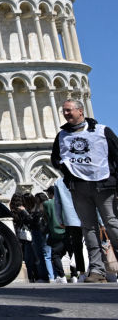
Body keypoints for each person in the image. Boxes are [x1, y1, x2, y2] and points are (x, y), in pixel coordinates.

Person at [50, 98, 118, 283]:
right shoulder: (62, 135)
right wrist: (67, 171)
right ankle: (97, 270)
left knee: (112, 224)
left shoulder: (101, 131)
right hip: (78, 187)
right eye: (64, 110)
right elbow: (55, 158)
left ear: (80, 111)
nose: (66, 113)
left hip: (103, 184)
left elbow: (116, 154)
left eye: (69, 110)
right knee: (88, 228)